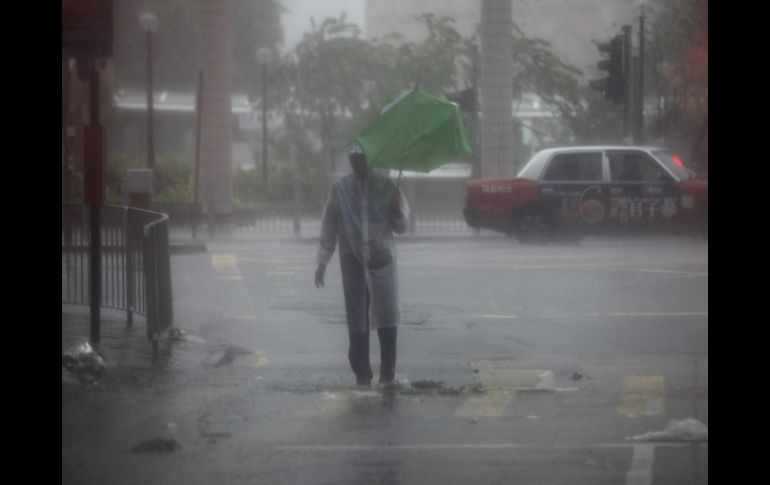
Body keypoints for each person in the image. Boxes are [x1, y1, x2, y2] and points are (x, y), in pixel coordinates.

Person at [314, 145, 410, 388]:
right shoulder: (340, 189)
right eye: (354, 159)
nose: (357, 163)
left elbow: (401, 227)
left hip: (382, 263)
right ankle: (362, 374)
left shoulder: (387, 187)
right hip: (353, 262)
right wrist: (322, 261)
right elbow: (330, 225)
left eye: (362, 158)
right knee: (357, 319)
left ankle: (388, 374)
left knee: (387, 319)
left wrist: (397, 211)